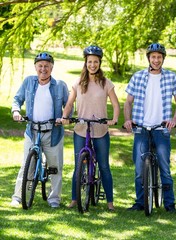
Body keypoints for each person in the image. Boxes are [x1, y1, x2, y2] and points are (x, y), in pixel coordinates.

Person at [124, 43, 176, 212]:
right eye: (153, 57)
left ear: (163, 59)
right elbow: (128, 102)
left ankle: (170, 204)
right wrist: (128, 120)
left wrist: (174, 119)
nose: (156, 60)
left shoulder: (171, 77)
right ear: (149, 59)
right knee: (139, 168)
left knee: (165, 168)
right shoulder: (138, 76)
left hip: (162, 128)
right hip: (141, 127)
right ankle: (141, 202)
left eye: (159, 57)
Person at [61, 45, 120, 211]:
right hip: (81, 128)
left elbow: (116, 105)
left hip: (100, 130)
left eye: (95, 62)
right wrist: (65, 116)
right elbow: (69, 103)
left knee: (104, 166)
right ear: (85, 63)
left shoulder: (106, 83)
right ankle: (74, 198)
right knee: (78, 165)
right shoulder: (78, 83)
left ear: (99, 63)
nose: (92, 65)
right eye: (89, 62)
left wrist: (114, 119)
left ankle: (110, 203)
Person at [10, 52, 69, 208]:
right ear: (35, 67)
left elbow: (68, 107)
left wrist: (64, 117)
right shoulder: (29, 82)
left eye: (47, 66)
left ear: (52, 67)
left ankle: (54, 199)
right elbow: (17, 99)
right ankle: (18, 197)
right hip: (32, 130)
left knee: (55, 167)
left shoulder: (60, 85)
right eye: (40, 66)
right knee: (26, 165)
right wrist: (16, 111)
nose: (43, 69)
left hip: (53, 132)